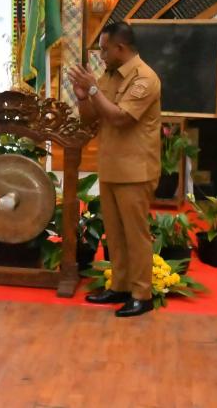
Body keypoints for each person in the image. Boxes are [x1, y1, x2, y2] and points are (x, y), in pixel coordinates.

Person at [67, 22, 162, 317]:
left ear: (120, 48)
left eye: (105, 50)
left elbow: (121, 118)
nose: (102, 56)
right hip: (111, 167)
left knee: (135, 235)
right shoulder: (108, 76)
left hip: (135, 171)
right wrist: (83, 96)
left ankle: (142, 295)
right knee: (116, 235)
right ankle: (119, 287)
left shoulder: (145, 78)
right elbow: (90, 119)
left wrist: (94, 89)